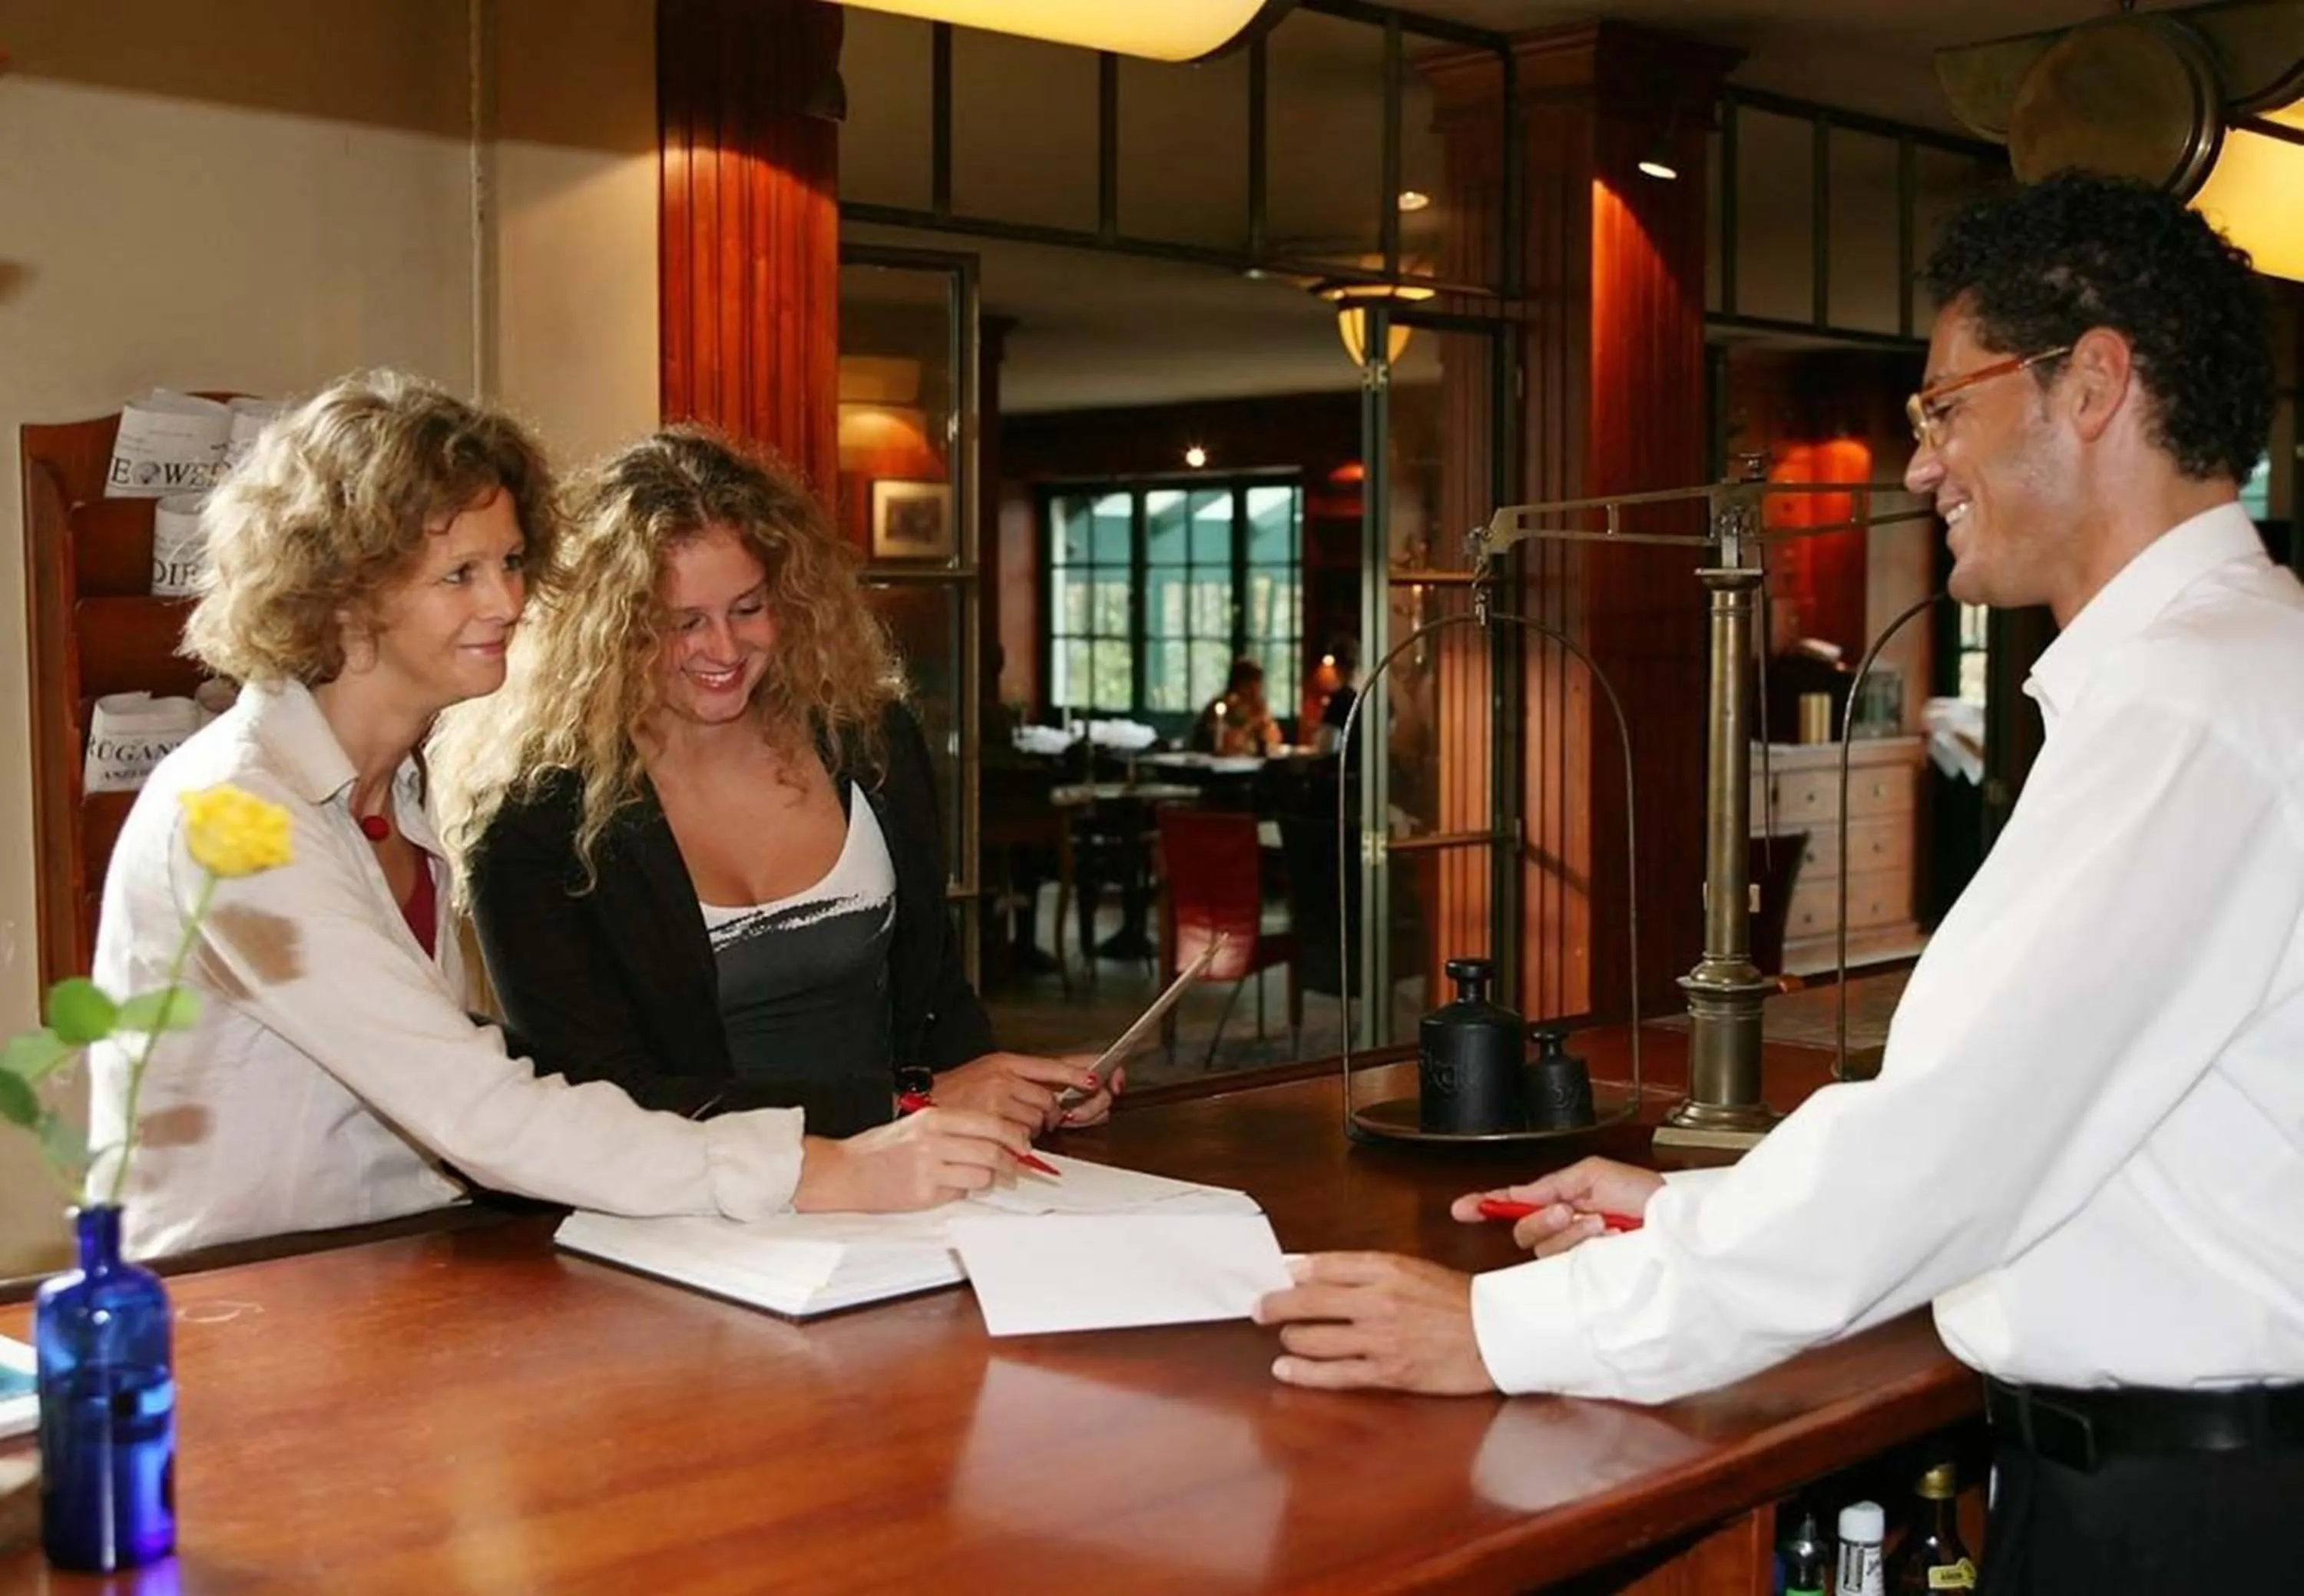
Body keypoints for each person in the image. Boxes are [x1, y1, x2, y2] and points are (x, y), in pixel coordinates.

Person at [1254, 173, 2302, 1592]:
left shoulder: (2190, 707)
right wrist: (1689, 1215)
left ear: (2093, 384)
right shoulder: (2243, 667)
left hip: (2192, 1515)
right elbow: (2071, 1131)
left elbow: (1956, 1146)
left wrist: (1509, 1332)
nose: (1922, 462)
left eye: (1943, 408)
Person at [88, 375, 1034, 1260]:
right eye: (459, 573)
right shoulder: (240, 814)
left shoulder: (393, 790)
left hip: (392, 1271)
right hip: (243, 1299)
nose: (508, 599)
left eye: (508, 561)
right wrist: (819, 1165)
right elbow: (481, 1113)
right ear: (340, 591)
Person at [436, 427, 1114, 1144]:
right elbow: (604, 1101)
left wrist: (1013, 1087)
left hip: (916, 1176)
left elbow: (934, 996)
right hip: (689, 1215)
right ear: (607, 628)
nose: (724, 650)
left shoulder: (869, 740)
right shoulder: (531, 820)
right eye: (682, 623)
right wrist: (915, 1101)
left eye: (749, 608)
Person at [1189, 657, 1282, 757]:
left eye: (1257, 683)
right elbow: (1225, 742)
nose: (1254, 689)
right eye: (1248, 684)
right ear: (1238, 684)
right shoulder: (1221, 706)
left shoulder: (1259, 708)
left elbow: (1273, 740)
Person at [1311, 640, 1359, 756]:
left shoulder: (1340, 699)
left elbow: (1326, 745)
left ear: (1338, 668)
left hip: (1343, 766)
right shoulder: (1366, 696)